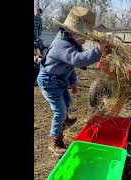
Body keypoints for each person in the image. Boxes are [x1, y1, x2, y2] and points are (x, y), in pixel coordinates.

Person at [36, 6, 109, 156]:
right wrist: (97, 51)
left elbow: (69, 66)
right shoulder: (61, 44)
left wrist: (73, 81)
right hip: (49, 81)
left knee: (67, 102)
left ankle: (64, 119)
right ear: (72, 33)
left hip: (60, 80)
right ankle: (54, 140)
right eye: (83, 36)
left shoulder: (71, 42)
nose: (84, 39)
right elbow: (76, 60)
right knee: (60, 110)